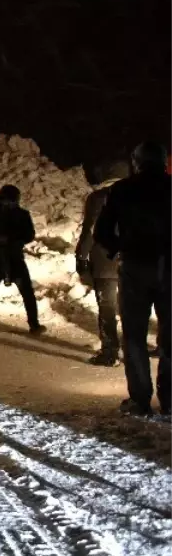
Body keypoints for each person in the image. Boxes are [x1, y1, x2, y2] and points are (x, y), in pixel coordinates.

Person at [93, 141, 172, 417]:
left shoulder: (123, 190)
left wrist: (118, 248)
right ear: (163, 161)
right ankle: (170, 399)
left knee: (135, 335)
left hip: (135, 267)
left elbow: (101, 230)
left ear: (136, 162)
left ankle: (140, 399)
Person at [76, 160, 130, 366]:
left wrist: (81, 256)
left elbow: (90, 230)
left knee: (107, 307)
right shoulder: (139, 195)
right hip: (134, 261)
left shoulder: (99, 198)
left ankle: (110, 352)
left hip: (105, 261)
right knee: (131, 308)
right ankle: (134, 351)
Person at [0, 185, 45, 334]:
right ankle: (34, 325)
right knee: (24, 292)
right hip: (9, 257)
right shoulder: (19, 214)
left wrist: (3, 238)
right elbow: (29, 235)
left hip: (1, 258)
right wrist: (12, 238)